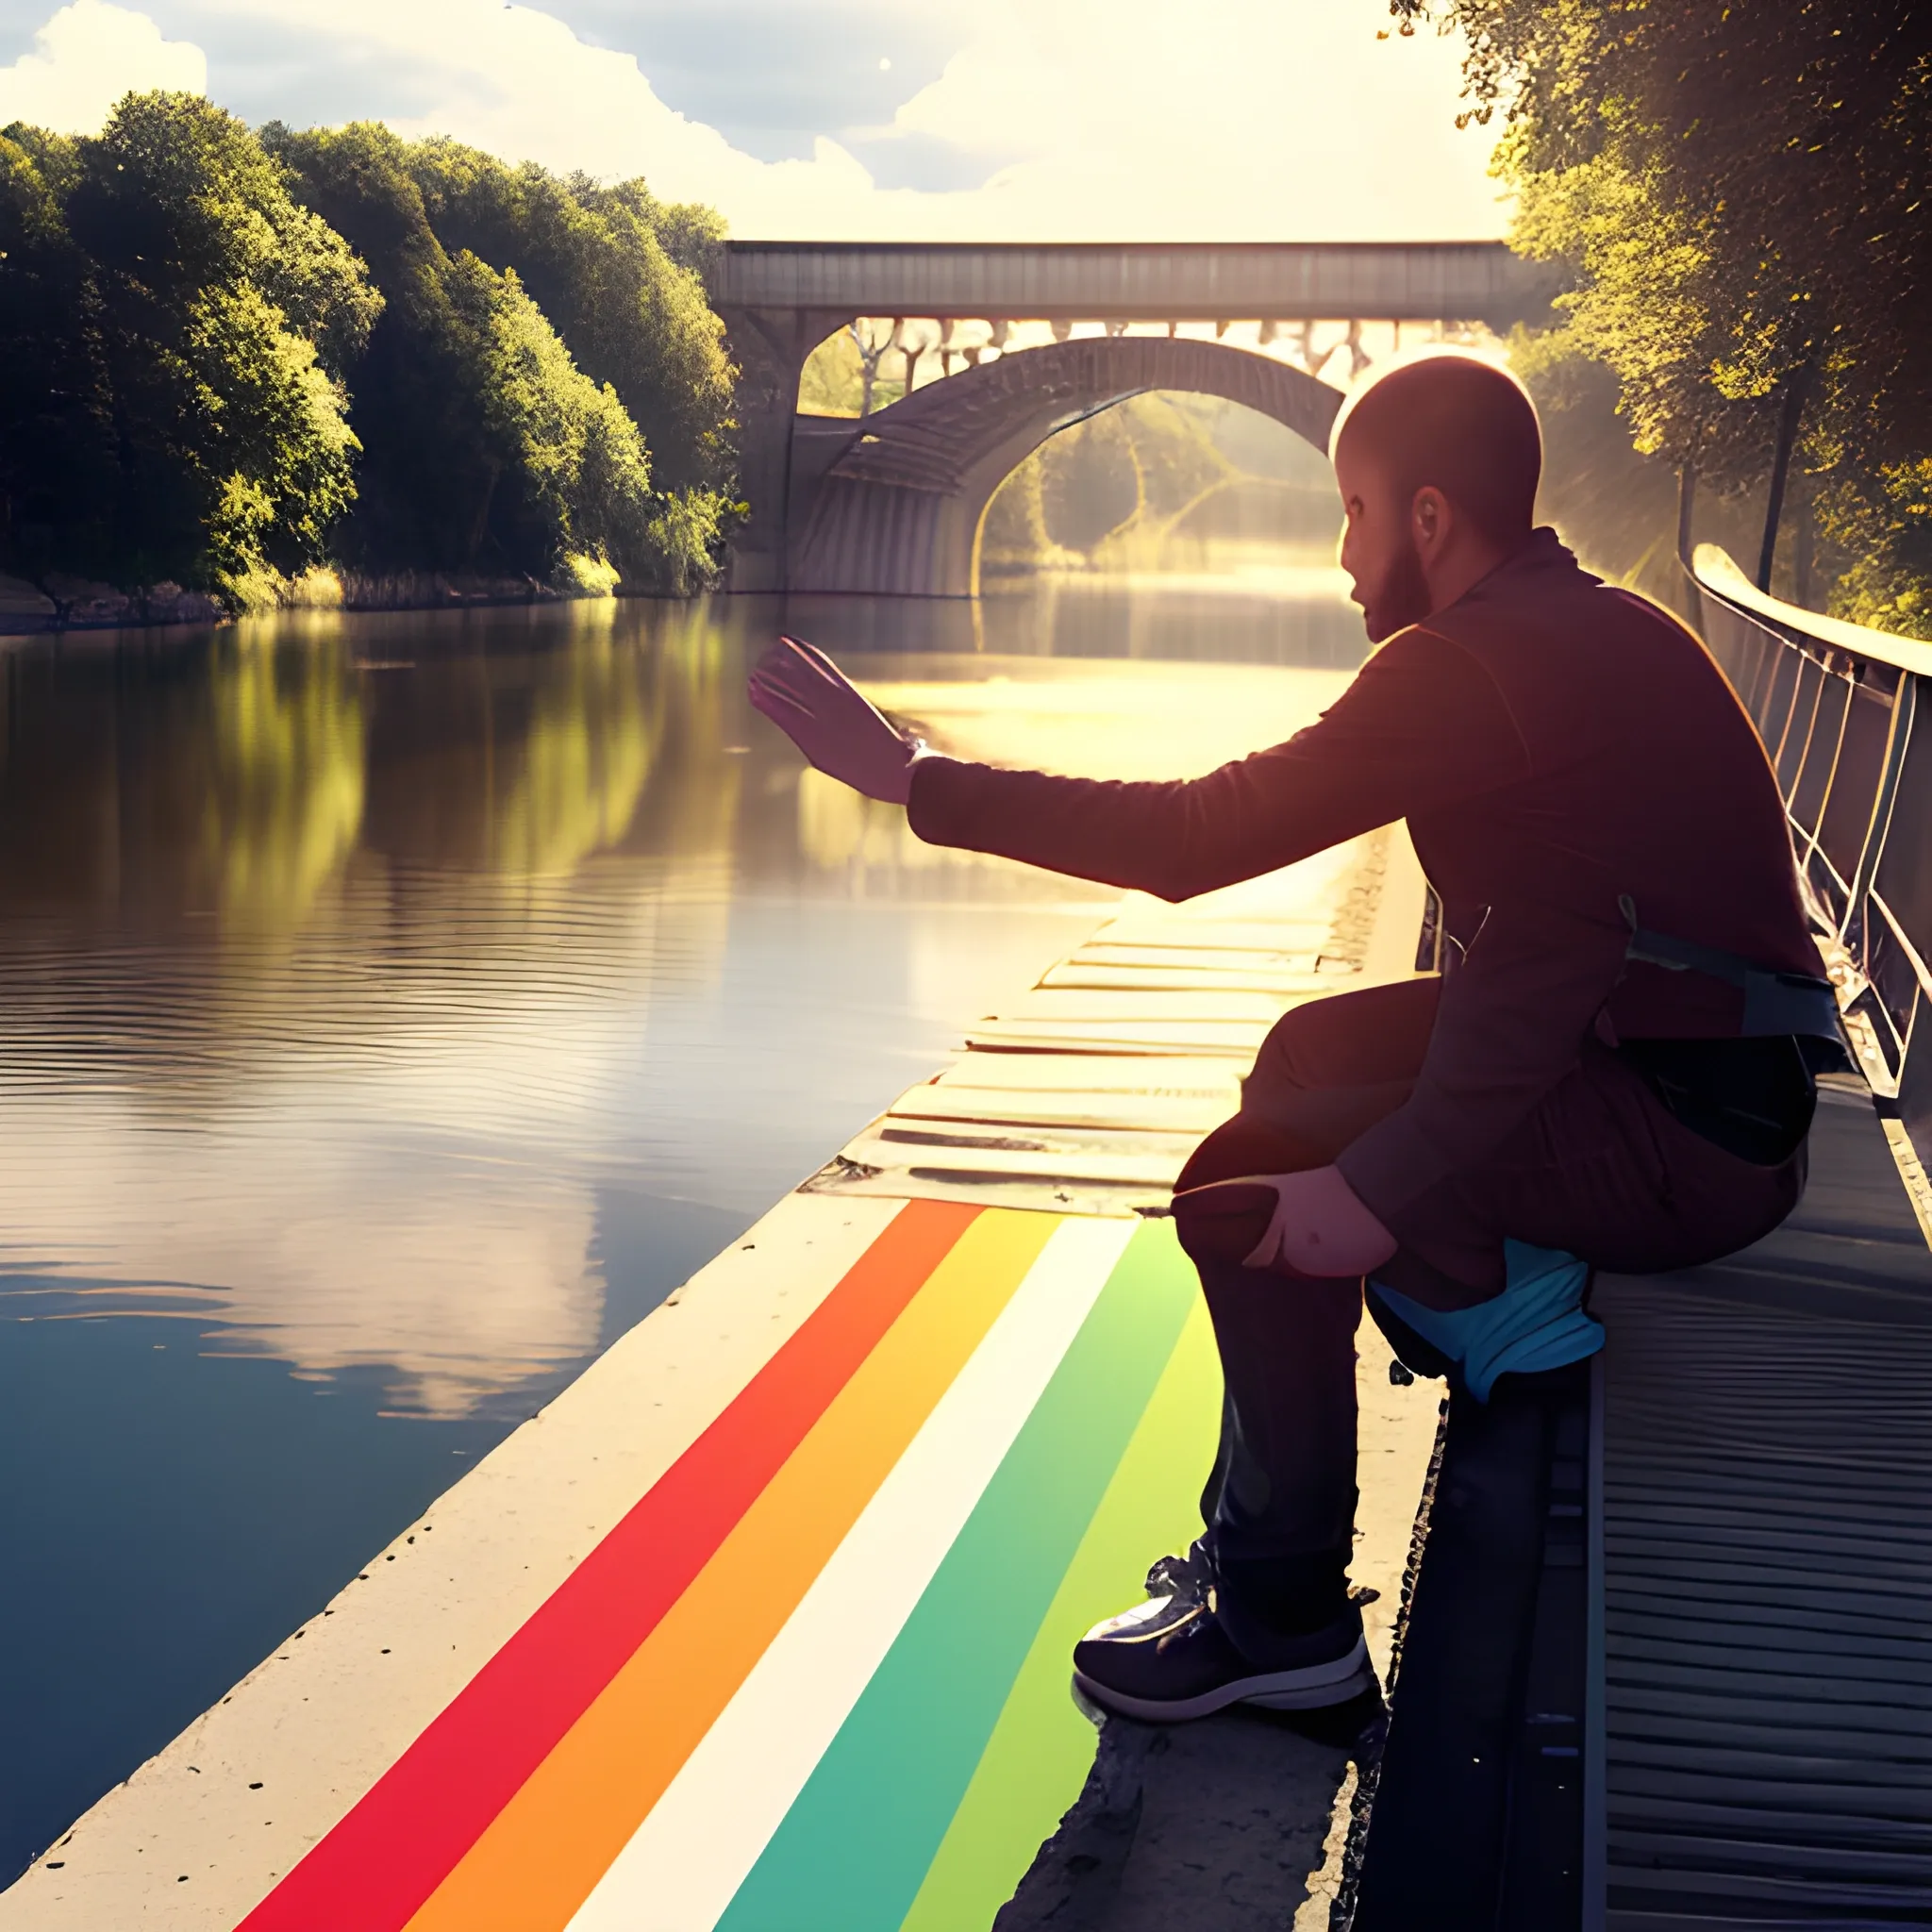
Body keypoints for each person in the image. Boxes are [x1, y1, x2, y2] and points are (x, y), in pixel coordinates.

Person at [748, 352, 1839, 1724]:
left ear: (1429, 519)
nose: (1343, 554)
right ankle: (1500, 1297)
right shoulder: (1585, 624)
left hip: (1688, 1144)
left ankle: (1282, 1616)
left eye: (1355, 512)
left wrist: (916, 777)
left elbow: (1199, 836)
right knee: (1313, 1060)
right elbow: (1553, 951)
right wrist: (1392, 1175)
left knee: (1238, 1189)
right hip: (1714, 1091)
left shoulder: (1474, 664)